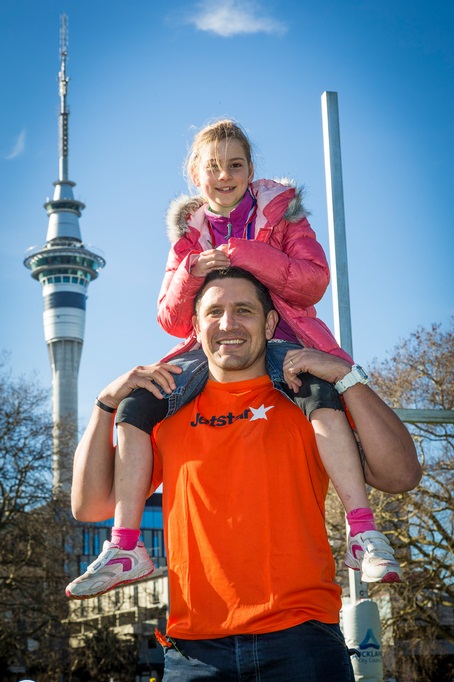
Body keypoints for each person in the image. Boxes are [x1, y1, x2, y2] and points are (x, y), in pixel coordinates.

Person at [67, 119, 415, 599]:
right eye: (213, 166)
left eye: (236, 165)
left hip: (290, 339)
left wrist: (249, 254)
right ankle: (126, 546)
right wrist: (190, 271)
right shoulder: (188, 236)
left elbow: (313, 280)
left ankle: (361, 530)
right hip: (198, 634)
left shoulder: (283, 215)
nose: (225, 175)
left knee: (321, 393)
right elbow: (171, 319)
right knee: (138, 404)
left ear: (252, 170)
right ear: (195, 174)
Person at [67, 269, 421, 680]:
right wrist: (104, 405)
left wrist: (345, 376)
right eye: (214, 312)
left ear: (270, 323)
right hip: (194, 653)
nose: (228, 324)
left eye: (244, 311)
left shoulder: (307, 401)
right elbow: (89, 504)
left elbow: (401, 474)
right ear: (196, 327)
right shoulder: (166, 414)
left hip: (302, 641)